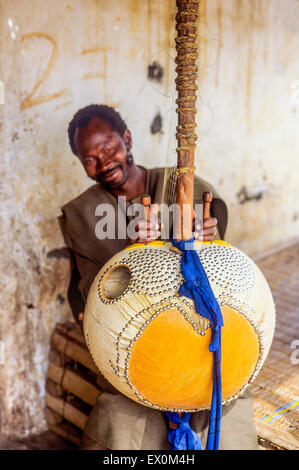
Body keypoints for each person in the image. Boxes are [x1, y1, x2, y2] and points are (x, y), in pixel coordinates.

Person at [58, 104, 259, 450]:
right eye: (89, 158)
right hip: (131, 338)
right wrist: (130, 250)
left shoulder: (183, 185)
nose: (103, 162)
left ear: (127, 139)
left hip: (194, 331)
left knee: (221, 395)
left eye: (109, 148)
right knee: (126, 411)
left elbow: (220, 273)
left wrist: (208, 238)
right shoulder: (83, 214)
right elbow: (93, 293)